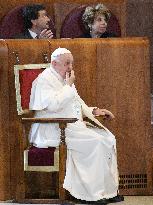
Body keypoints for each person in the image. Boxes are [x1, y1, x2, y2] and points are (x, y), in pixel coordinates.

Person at [29, 48, 123, 204]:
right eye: (67, 63)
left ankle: (107, 192)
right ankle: (90, 195)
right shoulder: (44, 80)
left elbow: (76, 103)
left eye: (71, 63)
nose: (70, 67)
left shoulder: (64, 78)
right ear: (54, 63)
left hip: (69, 127)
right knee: (95, 143)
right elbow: (53, 106)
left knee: (108, 138)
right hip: (52, 130)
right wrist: (68, 86)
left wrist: (95, 110)